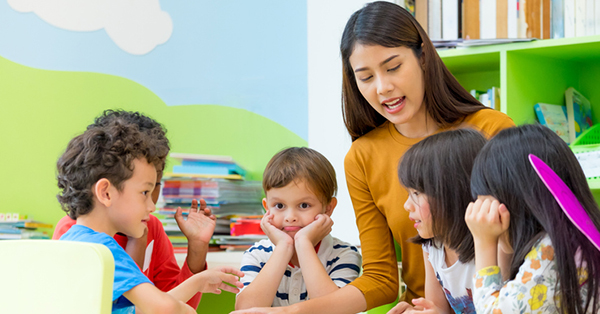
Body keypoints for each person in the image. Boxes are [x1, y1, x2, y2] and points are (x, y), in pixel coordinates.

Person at [232, 1, 514, 313]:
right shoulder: (363, 156)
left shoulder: (491, 130)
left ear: (423, 56)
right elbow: (381, 278)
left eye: (393, 67)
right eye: (365, 77)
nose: (383, 88)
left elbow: (523, 245)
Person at [56, 116, 244, 313]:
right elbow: (163, 307)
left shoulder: (72, 241)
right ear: (106, 193)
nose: (152, 206)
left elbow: (138, 309)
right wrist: (185, 310)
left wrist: (197, 282)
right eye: (145, 192)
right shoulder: (103, 251)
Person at [465, 124, 600, 314]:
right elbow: (508, 295)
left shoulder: (552, 252)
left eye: (489, 208)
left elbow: (495, 311)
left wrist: (484, 242)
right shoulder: (575, 236)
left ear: (515, 202)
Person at [390, 129, 511, 314]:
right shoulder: (432, 247)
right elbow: (438, 308)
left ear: (452, 193)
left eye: (416, 193)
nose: (407, 205)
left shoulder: (496, 244)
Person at [235, 147, 362, 309]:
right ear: (267, 208)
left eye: (303, 205)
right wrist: (283, 247)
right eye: (279, 205)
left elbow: (333, 311)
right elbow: (245, 311)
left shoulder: (344, 254)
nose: (290, 217)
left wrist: (303, 244)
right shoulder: (257, 255)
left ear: (328, 208)